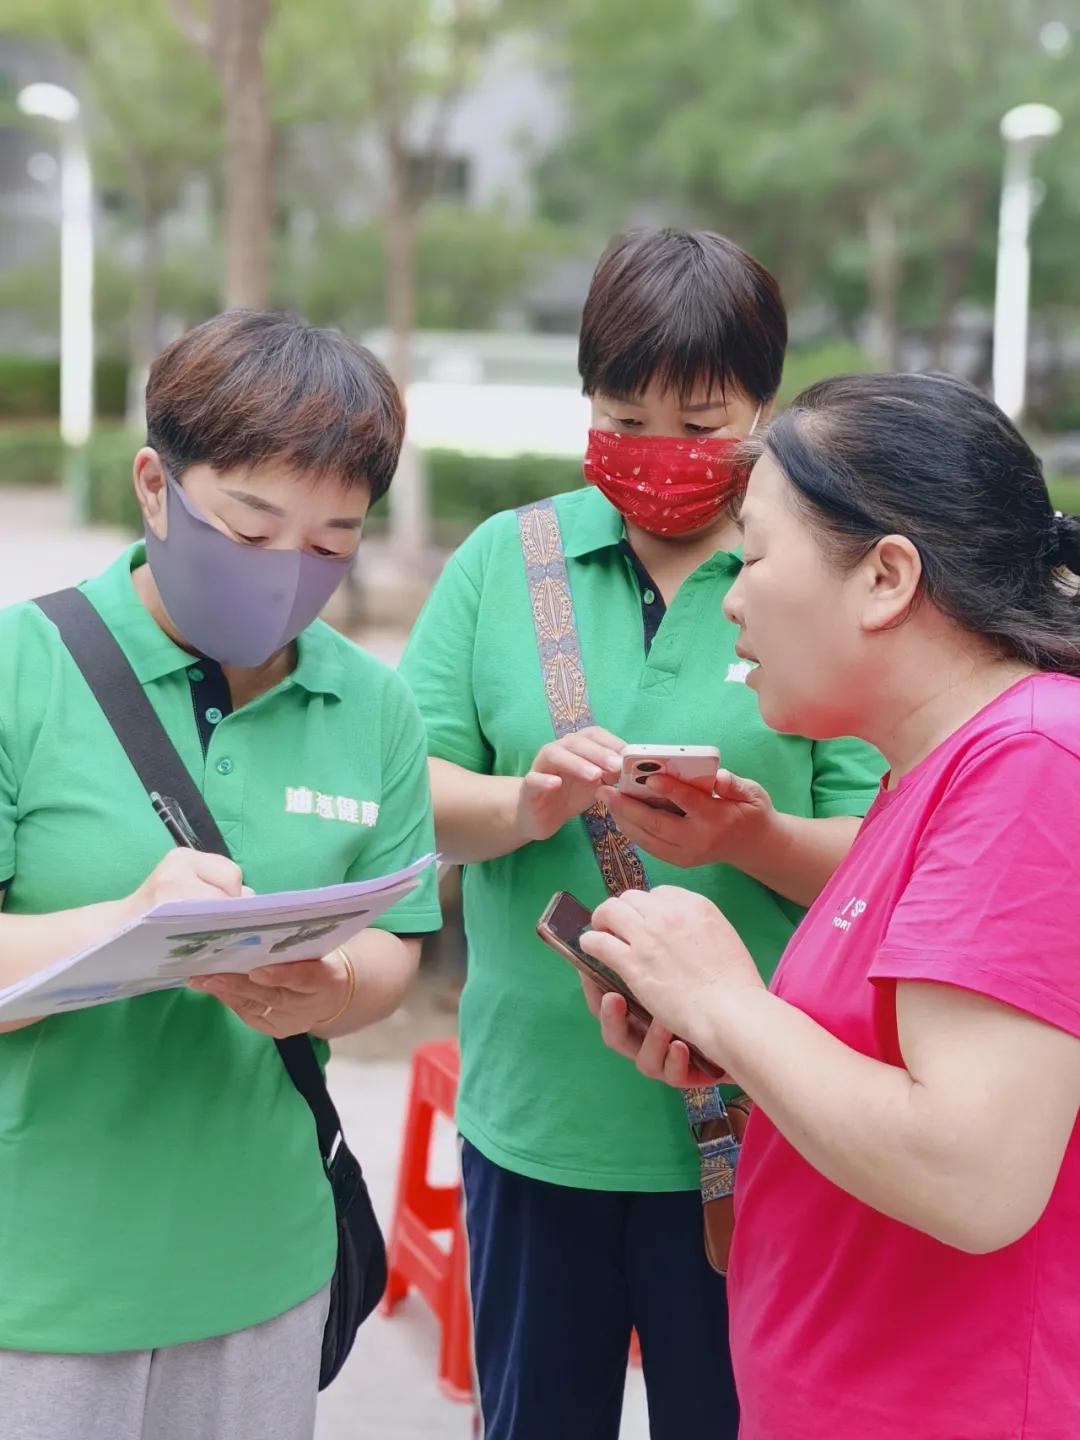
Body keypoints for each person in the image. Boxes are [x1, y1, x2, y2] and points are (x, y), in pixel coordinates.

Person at [398, 229, 884, 1439]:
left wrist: (751, 842)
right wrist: (528, 804)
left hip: (769, 1117)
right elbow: (405, 783)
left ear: (767, 408)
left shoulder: (827, 573)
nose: (663, 454)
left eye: (703, 422)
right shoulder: (503, 561)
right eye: (627, 415)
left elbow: (894, 843)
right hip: (538, 1119)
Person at [581, 371, 1080, 1440]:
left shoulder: (1033, 763)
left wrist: (729, 1004)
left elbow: (974, 1174)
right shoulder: (940, 768)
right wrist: (740, 1048)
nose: (732, 596)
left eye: (756, 554)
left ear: (886, 577)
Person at [0, 311, 441, 1440]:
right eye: (252, 527)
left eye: (334, 539)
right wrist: (128, 920)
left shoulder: (374, 705)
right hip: (38, 1281)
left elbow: (396, 940)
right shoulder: (20, 669)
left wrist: (334, 985)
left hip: (262, 1272)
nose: (290, 570)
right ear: (157, 486)